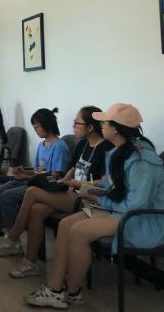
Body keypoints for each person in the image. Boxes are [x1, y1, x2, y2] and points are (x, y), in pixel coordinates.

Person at [25, 103, 164, 309]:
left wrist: (100, 199)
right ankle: (55, 287)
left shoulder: (142, 159)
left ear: (116, 128)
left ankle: (72, 291)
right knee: (65, 225)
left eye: (105, 122)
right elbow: (111, 183)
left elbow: (137, 204)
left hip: (139, 218)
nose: (101, 126)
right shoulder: (120, 151)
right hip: (118, 208)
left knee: (79, 232)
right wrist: (85, 188)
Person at [0, 107, 113, 278]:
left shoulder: (106, 148)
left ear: (90, 127)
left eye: (77, 123)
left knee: (32, 192)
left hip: (89, 196)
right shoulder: (83, 143)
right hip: (71, 190)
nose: (73, 126)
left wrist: (75, 183)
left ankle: (12, 238)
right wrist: (65, 182)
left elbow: (106, 182)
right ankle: (30, 263)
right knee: (36, 210)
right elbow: (72, 168)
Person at [0, 108, 70, 248]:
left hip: (47, 187)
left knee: (7, 196)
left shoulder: (59, 147)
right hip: (35, 181)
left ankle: (13, 240)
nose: (35, 130)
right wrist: (24, 172)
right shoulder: (42, 145)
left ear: (47, 125)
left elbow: (55, 175)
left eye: (37, 127)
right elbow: (39, 170)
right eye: (34, 127)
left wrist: (27, 176)